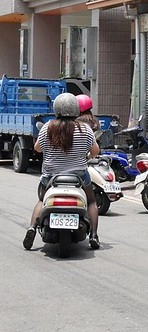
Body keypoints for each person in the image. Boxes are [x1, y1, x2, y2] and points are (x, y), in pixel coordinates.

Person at [23, 93, 101, 250]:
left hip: (51, 177)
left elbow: (38, 148)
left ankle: (32, 227)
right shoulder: (85, 129)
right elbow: (95, 151)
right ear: (76, 110)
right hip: (78, 176)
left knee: (41, 201)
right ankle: (93, 235)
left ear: (56, 109)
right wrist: (85, 153)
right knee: (92, 201)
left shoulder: (47, 127)